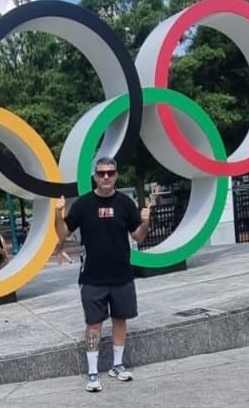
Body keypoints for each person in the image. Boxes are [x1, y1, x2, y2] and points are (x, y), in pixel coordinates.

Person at [55, 156, 153, 393]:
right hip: (92, 278)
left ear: (116, 175)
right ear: (95, 177)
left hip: (122, 276)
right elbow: (62, 234)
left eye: (110, 172)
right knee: (94, 325)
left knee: (121, 320)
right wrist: (58, 214)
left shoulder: (125, 203)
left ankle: (117, 365)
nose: (106, 177)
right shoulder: (83, 205)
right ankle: (92, 372)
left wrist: (147, 221)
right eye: (101, 173)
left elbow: (138, 237)